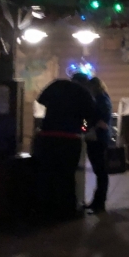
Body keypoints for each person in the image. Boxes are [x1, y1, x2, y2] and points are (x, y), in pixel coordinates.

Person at [33, 74, 104, 220]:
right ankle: (67, 210)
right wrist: (83, 129)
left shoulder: (57, 85)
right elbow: (88, 116)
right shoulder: (84, 93)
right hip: (70, 139)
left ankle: (46, 209)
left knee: (47, 173)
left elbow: (41, 100)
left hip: (48, 136)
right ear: (85, 83)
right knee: (67, 175)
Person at [85, 76, 112, 214]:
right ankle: (97, 201)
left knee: (100, 171)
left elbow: (99, 118)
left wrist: (87, 126)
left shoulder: (100, 99)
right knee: (99, 171)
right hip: (98, 137)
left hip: (97, 138)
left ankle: (99, 203)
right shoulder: (102, 99)